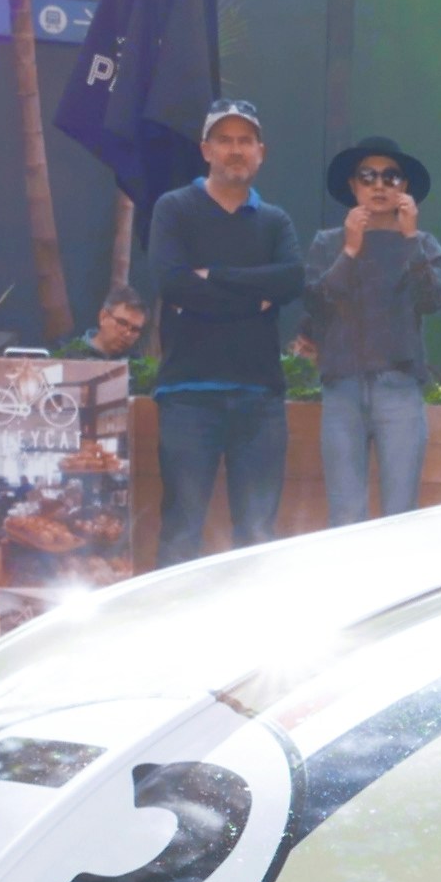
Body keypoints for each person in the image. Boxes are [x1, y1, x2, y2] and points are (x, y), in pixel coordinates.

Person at [132, 100, 301, 557]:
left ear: (260, 152)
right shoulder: (174, 209)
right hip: (188, 395)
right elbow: (172, 282)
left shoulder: (275, 220)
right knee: (182, 528)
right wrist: (255, 298)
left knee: (258, 536)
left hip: (260, 398)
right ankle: (171, 626)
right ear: (206, 150)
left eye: (245, 140)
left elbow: (291, 279)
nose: (235, 150)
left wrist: (215, 276)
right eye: (224, 140)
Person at [309, 136, 441, 524]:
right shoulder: (328, 243)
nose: (379, 185)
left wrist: (410, 240)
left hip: (399, 386)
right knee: (344, 515)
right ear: (353, 186)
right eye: (368, 176)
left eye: (391, 176)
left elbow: (433, 301)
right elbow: (316, 304)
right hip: (341, 387)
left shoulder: (422, 243)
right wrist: (350, 251)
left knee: (400, 516)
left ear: (404, 187)